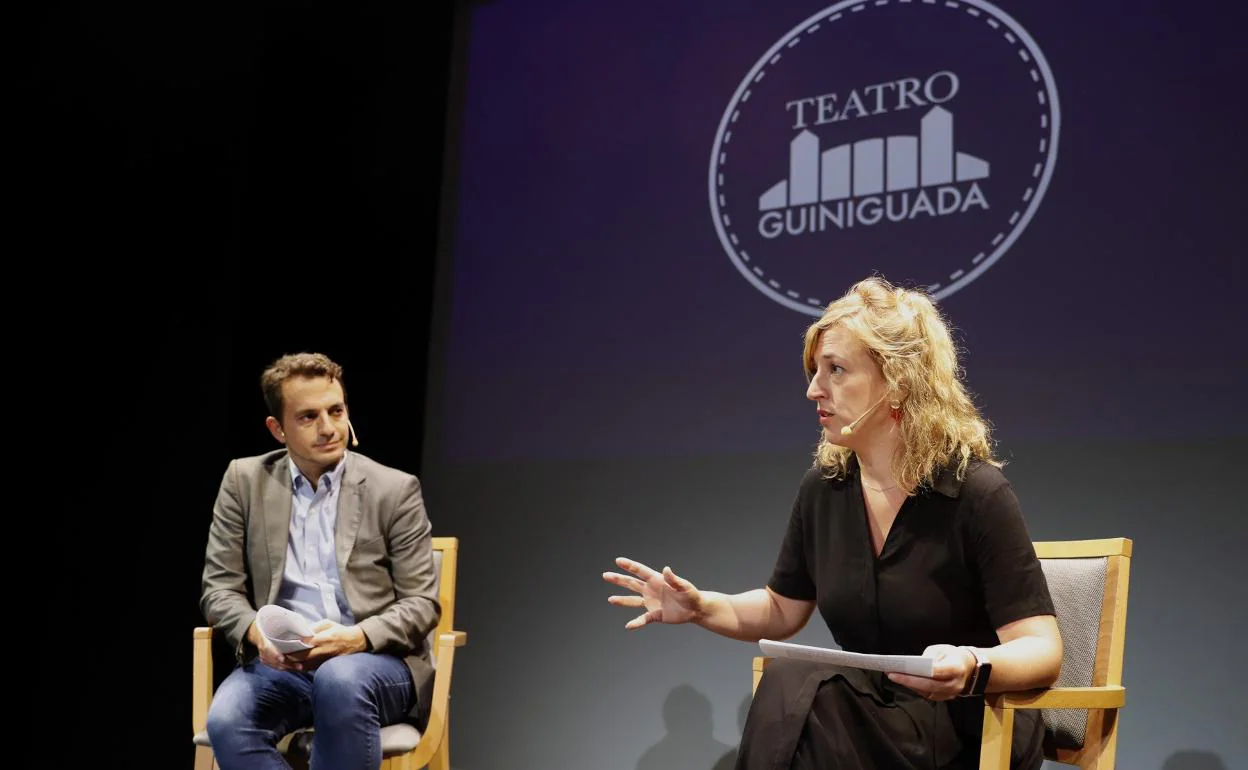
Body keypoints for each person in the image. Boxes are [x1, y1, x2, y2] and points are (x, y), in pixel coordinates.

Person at [602, 277, 1061, 769]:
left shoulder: (975, 492)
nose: (813, 390)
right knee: (798, 686)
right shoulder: (825, 489)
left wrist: (971, 665)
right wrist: (699, 607)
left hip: (968, 723)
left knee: (805, 696)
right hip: (864, 715)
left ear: (899, 382)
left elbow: (1042, 650)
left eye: (836, 370)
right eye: (814, 370)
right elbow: (782, 608)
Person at [201, 352, 441, 770]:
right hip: (283, 665)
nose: (329, 428)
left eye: (337, 411)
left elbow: (422, 605)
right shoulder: (244, 481)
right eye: (309, 417)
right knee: (228, 719)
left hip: (375, 664)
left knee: (338, 679)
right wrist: (257, 633)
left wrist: (355, 638)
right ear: (278, 429)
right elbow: (219, 589)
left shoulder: (394, 489)